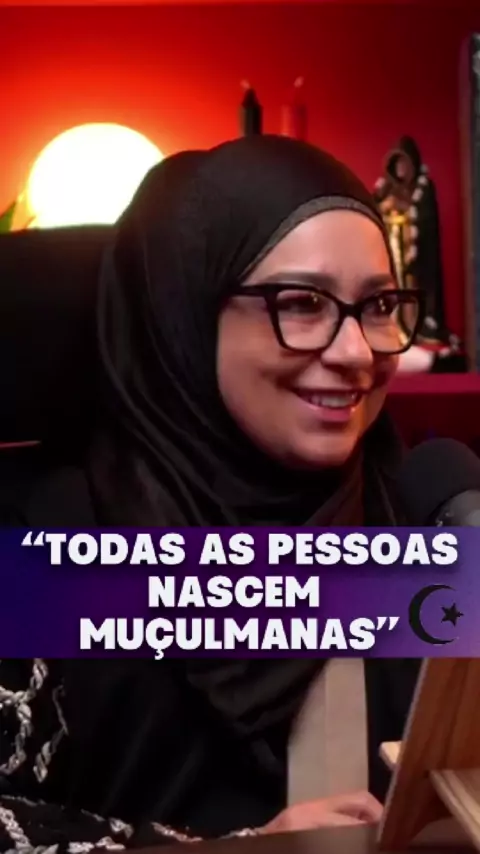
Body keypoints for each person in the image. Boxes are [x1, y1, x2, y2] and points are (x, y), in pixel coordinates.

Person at [0, 135, 422, 852]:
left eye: (379, 304)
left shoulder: (420, 514)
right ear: (185, 316)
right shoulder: (46, 539)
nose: (356, 352)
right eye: (303, 302)